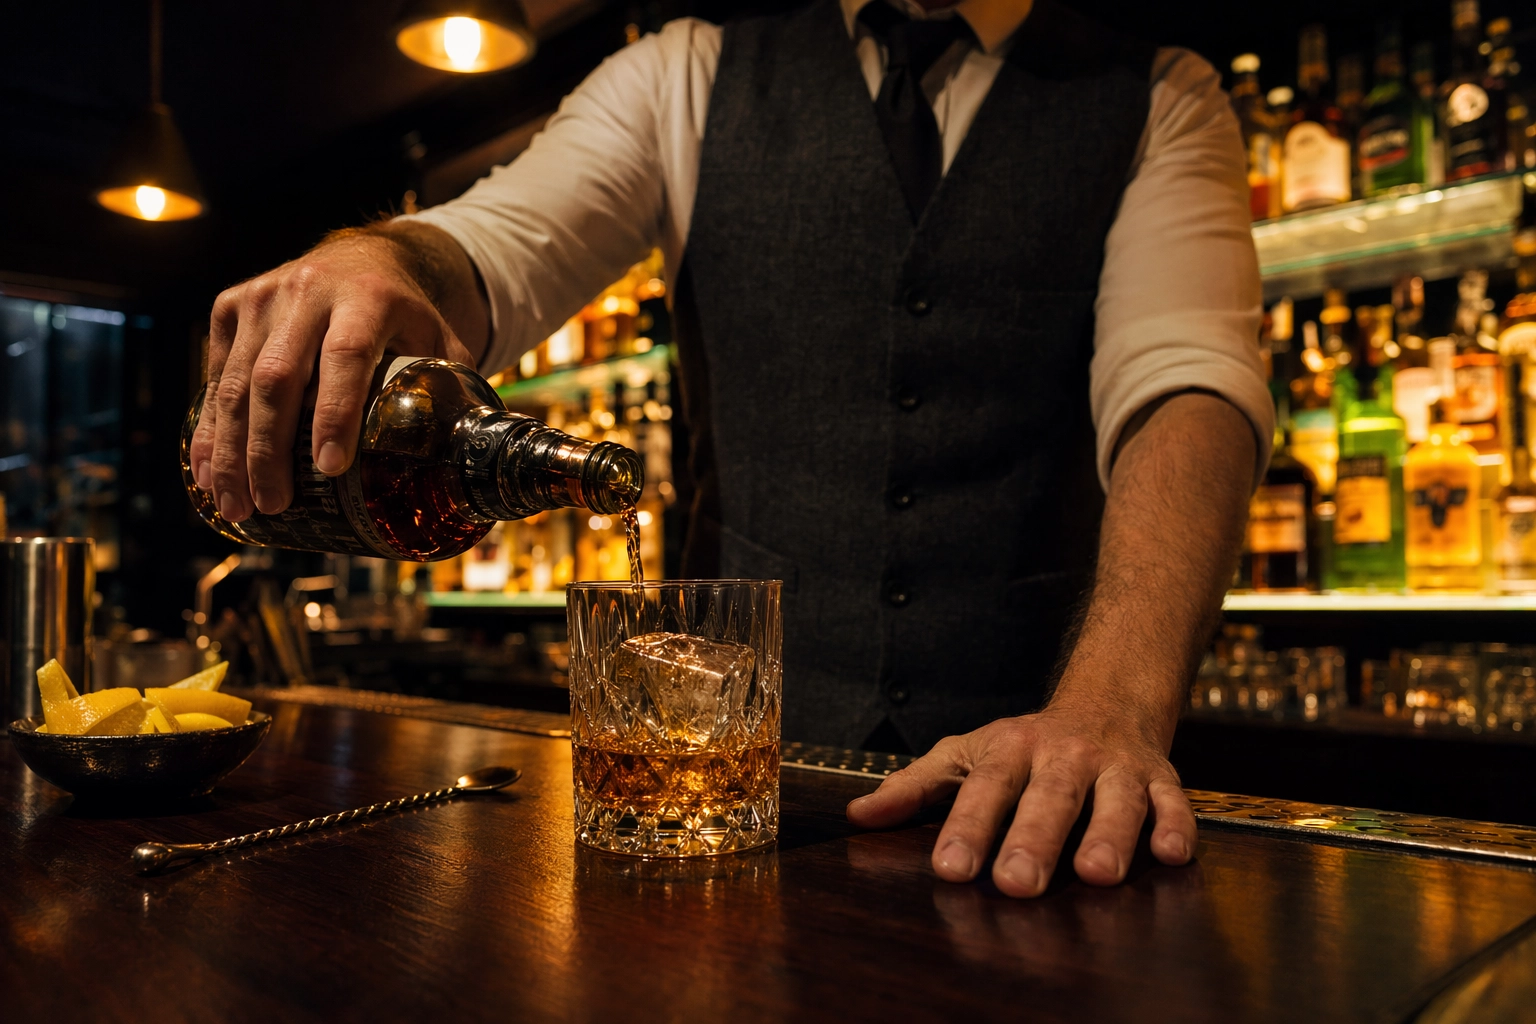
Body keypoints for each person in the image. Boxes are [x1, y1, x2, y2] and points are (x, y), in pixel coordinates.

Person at [189, 0, 1271, 897]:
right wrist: (383, 260)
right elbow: (495, 242)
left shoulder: (1161, 95)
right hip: (738, 814)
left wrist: (1113, 709)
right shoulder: (682, 74)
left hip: (1046, 806)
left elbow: (1188, 382)